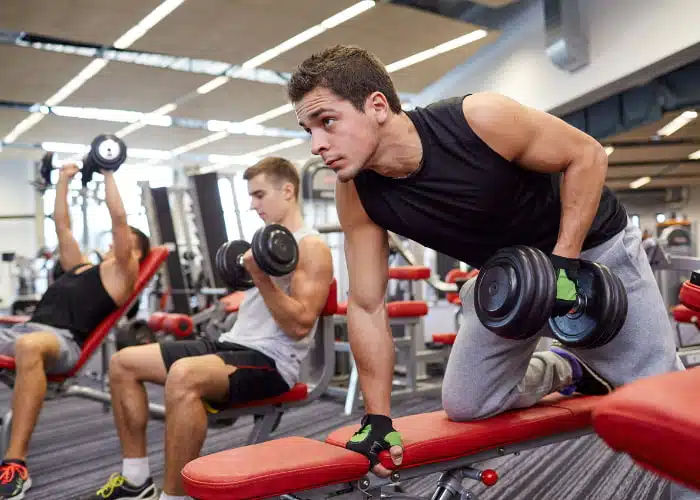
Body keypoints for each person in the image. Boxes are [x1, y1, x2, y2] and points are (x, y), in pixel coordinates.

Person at [287, 45, 683, 481]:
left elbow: (586, 155)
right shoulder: (357, 194)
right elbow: (366, 305)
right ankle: (570, 366)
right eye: (308, 130)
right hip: (511, 277)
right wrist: (378, 419)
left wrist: (563, 264)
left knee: (664, 405)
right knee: (468, 403)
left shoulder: (479, 120)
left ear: (377, 106)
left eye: (327, 122)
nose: (317, 145)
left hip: (592, 250)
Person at [88, 157, 334, 500]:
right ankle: (136, 480)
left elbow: (300, 324)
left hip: (272, 361)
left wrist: (260, 278)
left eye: (260, 195)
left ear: (288, 191)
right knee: (124, 363)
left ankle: (174, 497)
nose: (253, 205)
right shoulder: (264, 242)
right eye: (250, 196)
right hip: (231, 343)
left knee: (184, 375)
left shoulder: (312, 247)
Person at [0, 163, 151, 500]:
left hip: (60, 343)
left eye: (122, 241)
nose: (113, 243)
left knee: (28, 346)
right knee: (25, 340)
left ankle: (15, 465)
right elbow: (62, 225)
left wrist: (108, 170)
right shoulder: (80, 266)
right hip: (26, 331)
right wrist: (64, 180)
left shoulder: (121, 276)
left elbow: (119, 220)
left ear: (134, 251)